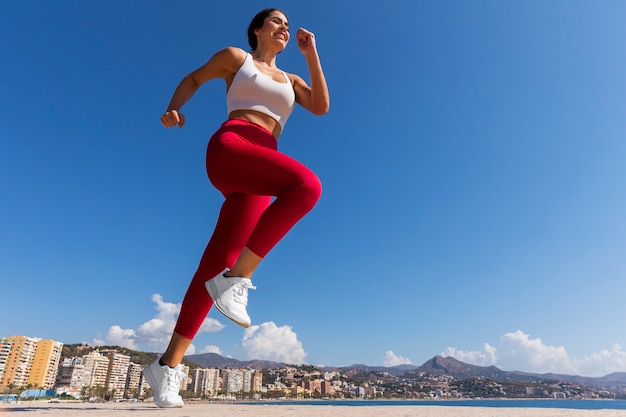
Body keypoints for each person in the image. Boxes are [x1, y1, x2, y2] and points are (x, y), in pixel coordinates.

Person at [141, 8, 329, 408]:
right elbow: (193, 78)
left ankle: (166, 366)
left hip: (261, 168)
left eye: (287, 24)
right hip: (233, 146)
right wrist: (175, 107)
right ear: (258, 30)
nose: (284, 27)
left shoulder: (292, 79)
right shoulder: (236, 59)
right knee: (306, 186)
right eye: (276, 21)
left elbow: (322, 106)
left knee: (214, 264)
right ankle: (238, 279)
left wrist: (312, 54)